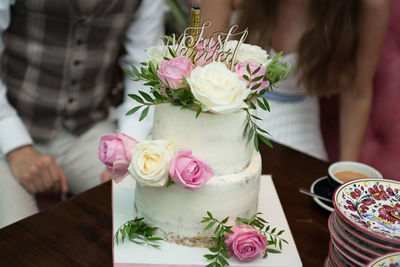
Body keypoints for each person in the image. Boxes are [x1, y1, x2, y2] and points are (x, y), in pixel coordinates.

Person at [0, 0, 167, 228]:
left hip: (87, 127)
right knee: (17, 237)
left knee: (140, 216)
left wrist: (127, 147)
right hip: (10, 122)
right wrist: (16, 146)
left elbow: (144, 68)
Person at [199, 0, 389, 161]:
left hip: (298, 128)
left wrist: (344, 176)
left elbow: (356, 94)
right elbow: (202, 64)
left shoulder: (369, 6)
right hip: (225, 115)